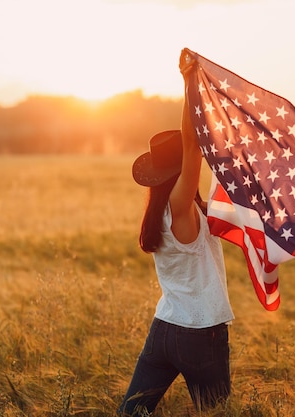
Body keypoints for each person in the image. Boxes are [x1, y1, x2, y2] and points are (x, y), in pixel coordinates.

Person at [118, 56, 235, 416]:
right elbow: (192, 145)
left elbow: (190, 150)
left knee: (131, 412)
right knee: (217, 413)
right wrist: (190, 82)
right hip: (201, 332)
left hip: (165, 328)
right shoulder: (180, 208)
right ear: (177, 174)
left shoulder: (158, 215)